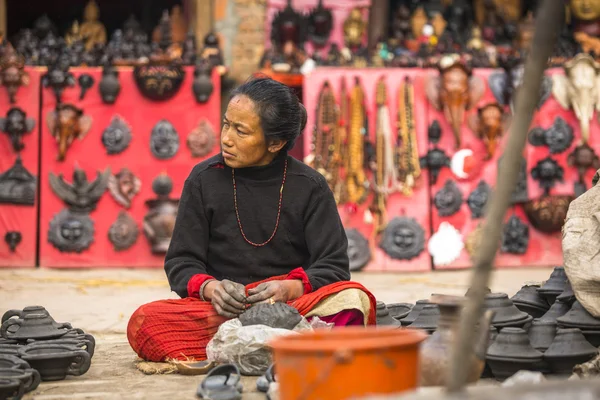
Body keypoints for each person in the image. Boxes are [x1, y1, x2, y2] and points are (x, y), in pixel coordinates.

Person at [127, 77, 376, 362]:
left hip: (293, 306)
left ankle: (247, 347)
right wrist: (211, 288)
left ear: (275, 143)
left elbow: (334, 267)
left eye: (241, 131)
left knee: (353, 299)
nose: (226, 138)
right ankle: (288, 347)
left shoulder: (309, 185)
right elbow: (181, 262)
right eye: (226, 124)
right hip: (222, 313)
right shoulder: (203, 179)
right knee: (146, 320)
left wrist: (289, 288)